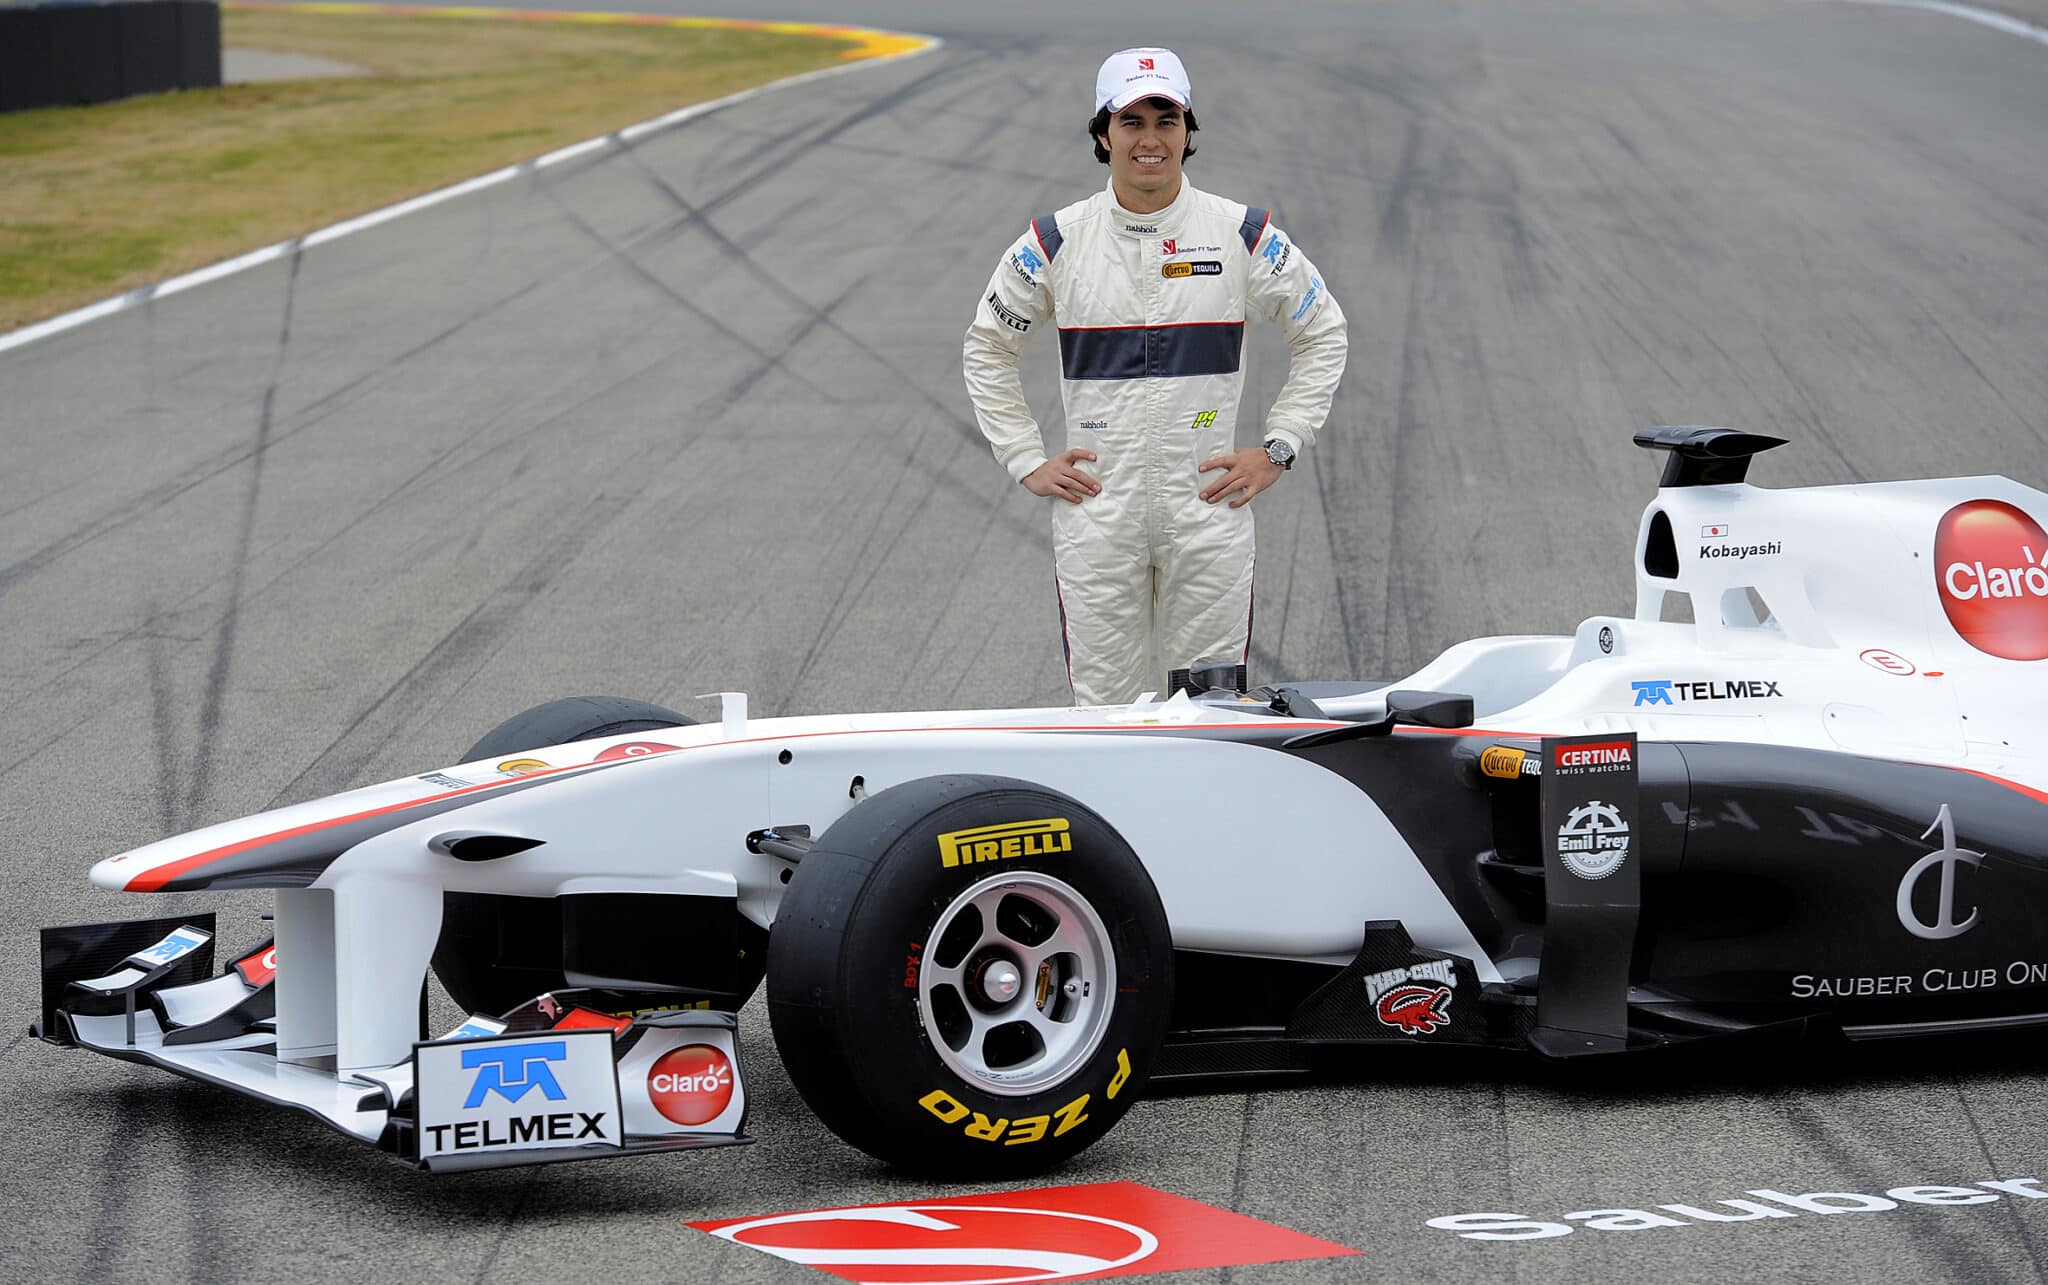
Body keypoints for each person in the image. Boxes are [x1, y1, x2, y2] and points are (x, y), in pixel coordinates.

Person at [962, 46, 1348, 706]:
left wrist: (1280, 448)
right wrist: (1025, 458)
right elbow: (987, 349)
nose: (1149, 139)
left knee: (1210, 712)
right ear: (1103, 133)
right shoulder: (1053, 241)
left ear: (1188, 131)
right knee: (1105, 713)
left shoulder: (1244, 234)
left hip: (1206, 508)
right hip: (1097, 512)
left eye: (1166, 120)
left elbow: (1323, 332)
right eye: (1131, 121)